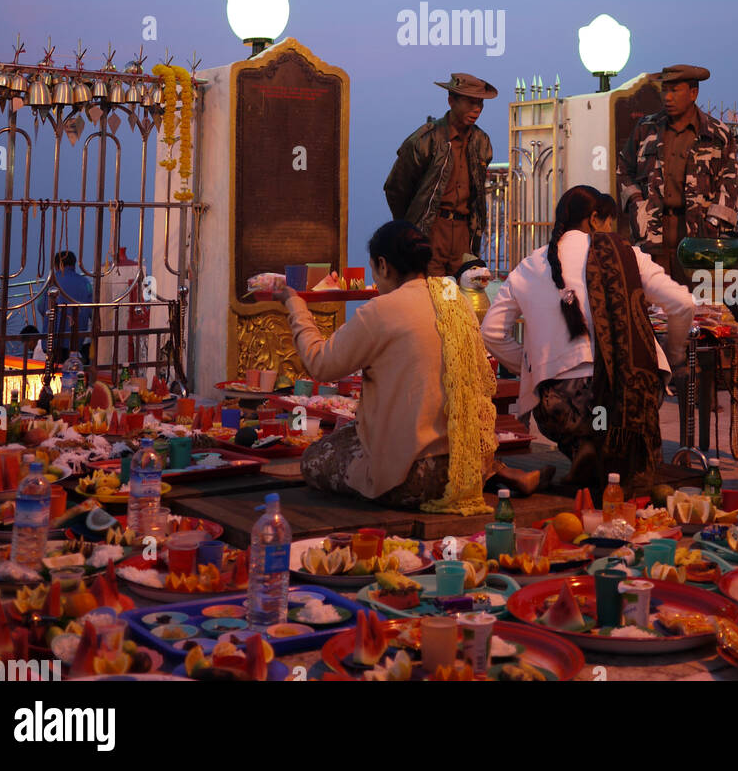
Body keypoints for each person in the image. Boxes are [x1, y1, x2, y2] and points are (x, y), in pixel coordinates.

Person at [263, 221, 551, 513]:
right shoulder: (454, 301)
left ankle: (409, 483)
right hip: (467, 466)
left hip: (415, 478)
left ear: (384, 266)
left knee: (314, 459)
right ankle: (496, 472)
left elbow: (320, 363)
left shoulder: (381, 311)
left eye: (374, 269)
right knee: (354, 431)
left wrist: (294, 303)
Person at [480, 186, 697, 492]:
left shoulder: (529, 265)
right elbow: (683, 303)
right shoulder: (628, 255)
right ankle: (610, 461)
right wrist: (672, 355)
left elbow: (490, 332)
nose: (611, 232)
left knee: (587, 413)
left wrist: (534, 369)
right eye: (609, 223)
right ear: (594, 219)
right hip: (621, 403)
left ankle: (584, 449)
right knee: (609, 419)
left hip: (562, 407)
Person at [617, 63, 738, 284]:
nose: (667, 97)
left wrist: (713, 225)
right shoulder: (646, 128)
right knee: (655, 305)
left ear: (693, 93)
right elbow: (623, 170)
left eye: (675, 90)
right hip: (652, 235)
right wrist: (637, 202)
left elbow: (729, 184)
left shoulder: (717, 133)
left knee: (699, 309)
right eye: (665, 90)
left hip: (699, 239)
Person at [383, 72, 498, 277]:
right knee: (428, 294)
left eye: (480, 103)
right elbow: (396, 189)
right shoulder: (426, 139)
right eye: (471, 102)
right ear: (451, 101)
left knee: (462, 299)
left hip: (465, 234)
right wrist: (412, 227)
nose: (477, 109)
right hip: (431, 232)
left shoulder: (482, 142)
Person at [32, 252, 94, 364]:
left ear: (57, 265)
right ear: (74, 265)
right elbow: (92, 310)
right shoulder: (85, 283)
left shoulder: (50, 282)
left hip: (52, 338)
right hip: (76, 339)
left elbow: (41, 306)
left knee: (53, 370)